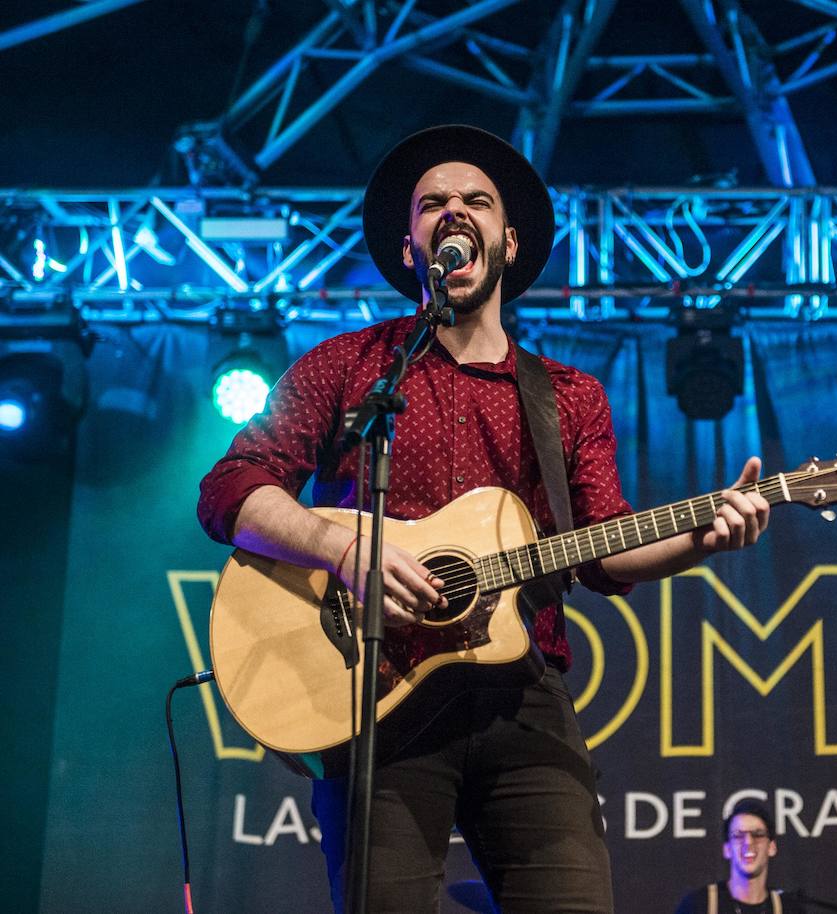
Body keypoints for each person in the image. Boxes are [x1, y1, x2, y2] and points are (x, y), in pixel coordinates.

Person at [196, 124, 772, 914]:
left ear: (508, 238)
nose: (454, 210)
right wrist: (340, 550)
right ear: (411, 248)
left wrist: (702, 540)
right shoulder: (350, 367)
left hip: (521, 703)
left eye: (477, 200)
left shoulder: (568, 397)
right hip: (378, 702)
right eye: (433, 203)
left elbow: (603, 550)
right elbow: (232, 487)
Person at [673, 798, 805, 914]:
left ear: (771, 847)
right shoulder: (698, 905)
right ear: (727, 849)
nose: (748, 842)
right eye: (738, 836)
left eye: (757, 834)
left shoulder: (789, 909)